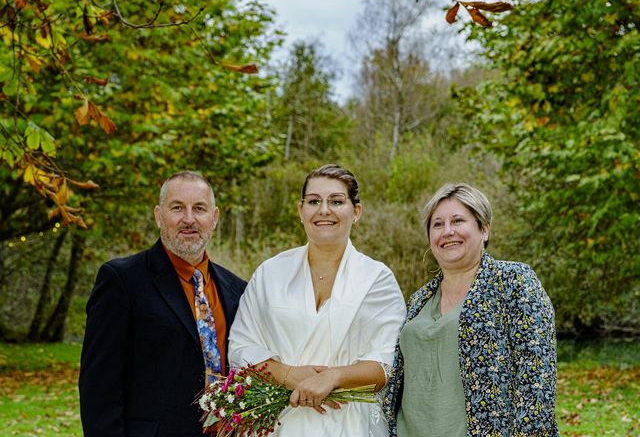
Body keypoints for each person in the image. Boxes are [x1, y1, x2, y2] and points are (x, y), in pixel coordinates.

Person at [228, 164, 406, 436]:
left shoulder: (377, 279)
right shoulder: (270, 273)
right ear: (301, 211)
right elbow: (241, 347)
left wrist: (332, 377)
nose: (324, 210)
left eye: (336, 201)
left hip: (350, 424)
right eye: (314, 201)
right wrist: (288, 374)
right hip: (280, 421)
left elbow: (386, 363)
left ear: (356, 212)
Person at [383, 183, 559, 437]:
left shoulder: (513, 281)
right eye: (438, 224)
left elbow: (537, 376)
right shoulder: (420, 298)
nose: (447, 231)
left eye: (457, 221)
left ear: (484, 229)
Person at [79, 171, 247, 437]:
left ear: (214, 218)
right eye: (177, 208)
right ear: (159, 216)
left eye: (199, 209)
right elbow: (99, 389)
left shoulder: (237, 290)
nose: (189, 219)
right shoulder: (122, 281)